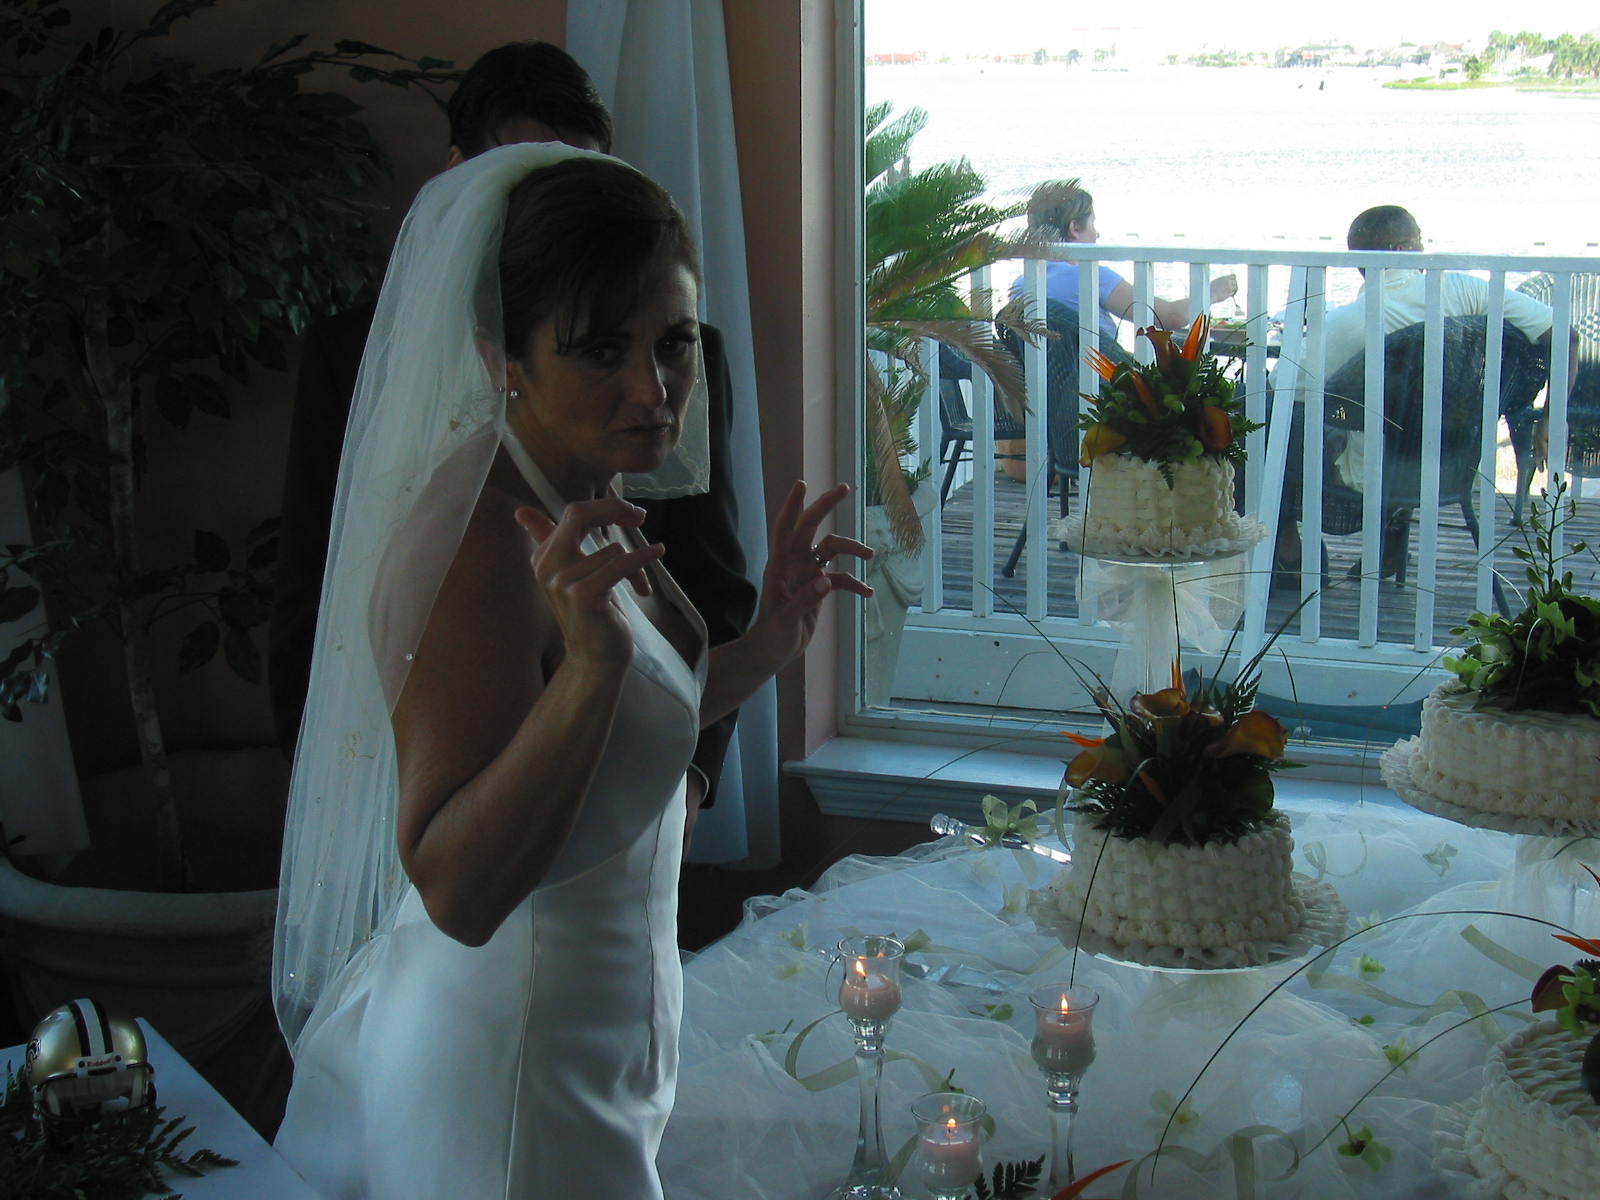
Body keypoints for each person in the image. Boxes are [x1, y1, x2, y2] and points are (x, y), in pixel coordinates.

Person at [270, 145, 871, 1199]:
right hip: (510, 1070)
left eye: (673, 342)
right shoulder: (479, 547)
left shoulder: (576, 490)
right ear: (499, 357)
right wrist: (591, 673)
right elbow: (454, 886)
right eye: (600, 350)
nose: (653, 388)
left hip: (594, 1041)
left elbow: (627, 729)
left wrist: (770, 643)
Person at [268, 42, 756, 840]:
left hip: (637, 803)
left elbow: (711, 575)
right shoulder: (354, 356)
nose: (648, 384)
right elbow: (312, 593)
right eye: (524, 177)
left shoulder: (681, 351)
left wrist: (691, 778)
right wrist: (327, 809)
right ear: (458, 176)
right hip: (417, 795)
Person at [1272, 204, 1560, 584]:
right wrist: (1553, 416)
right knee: (1412, 414)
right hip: (1451, 462)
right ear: (1405, 250)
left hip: (1375, 473)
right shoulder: (1466, 290)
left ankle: (1290, 552)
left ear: (1358, 260)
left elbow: (1280, 385)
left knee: (1264, 416)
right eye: (1420, 242)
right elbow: (1564, 336)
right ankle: (1389, 537)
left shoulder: (1348, 323)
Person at [1010, 178, 1237, 341]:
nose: (1097, 234)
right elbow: (1170, 317)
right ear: (1075, 227)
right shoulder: (1088, 277)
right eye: (1093, 223)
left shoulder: (1021, 283)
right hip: (1102, 388)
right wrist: (1213, 292)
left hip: (1046, 389)